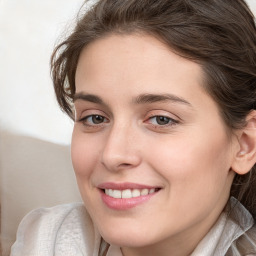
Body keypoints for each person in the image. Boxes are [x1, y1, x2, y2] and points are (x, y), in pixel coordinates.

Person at [10, 0, 256, 255]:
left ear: (244, 145)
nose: (113, 155)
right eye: (95, 118)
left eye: (161, 119)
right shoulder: (46, 240)